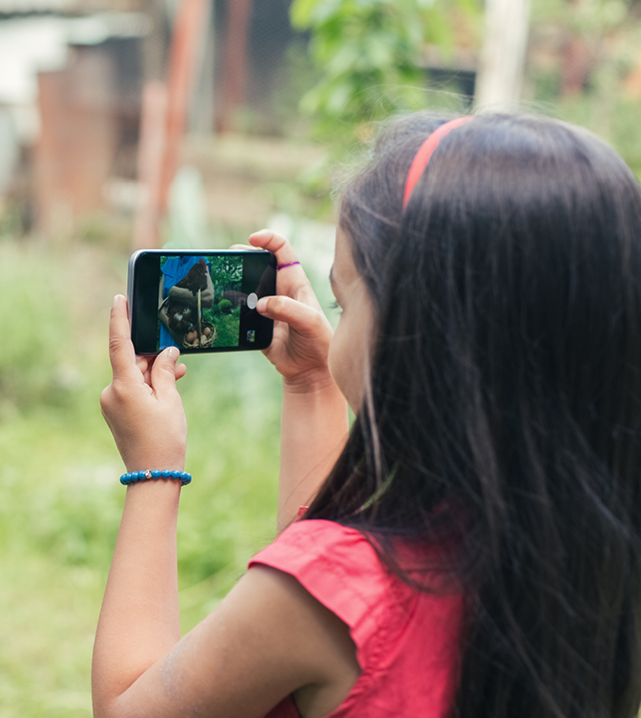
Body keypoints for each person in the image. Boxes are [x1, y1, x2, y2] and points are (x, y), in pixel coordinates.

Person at [95, 112, 641, 718]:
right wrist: (309, 385)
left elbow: (128, 709)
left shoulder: (321, 596)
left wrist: (154, 472)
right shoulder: (599, 554)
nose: (336, 327)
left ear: (423, 335)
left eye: (344, 301)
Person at [158, 255, 214, 349]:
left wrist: (175, 293)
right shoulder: (169, 261)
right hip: (166, 341)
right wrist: (172, 328)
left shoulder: (200, 258)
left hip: (189, 341)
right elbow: (158, 301)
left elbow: (208, 298)